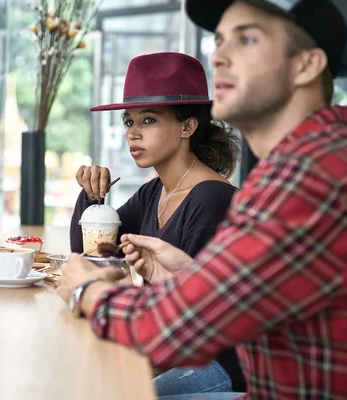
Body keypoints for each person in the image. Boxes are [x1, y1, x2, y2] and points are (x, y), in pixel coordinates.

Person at [58, 0, 347, 399]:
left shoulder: (311, 177)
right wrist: (191, 275)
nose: (219, 57)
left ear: (306, 65)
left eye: (246, 39)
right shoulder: (305, 162)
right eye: (220, 41)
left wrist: (85, 291)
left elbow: (167, 331)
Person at [69, 52, 245, 395]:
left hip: (216, 363)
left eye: (148, 120)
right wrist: (92, 198)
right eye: (128, 121)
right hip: (169, 347)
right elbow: (91, 252)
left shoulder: (211, 199)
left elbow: (186, 323)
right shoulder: (156, 192)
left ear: (187, 126)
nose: (133, 133)